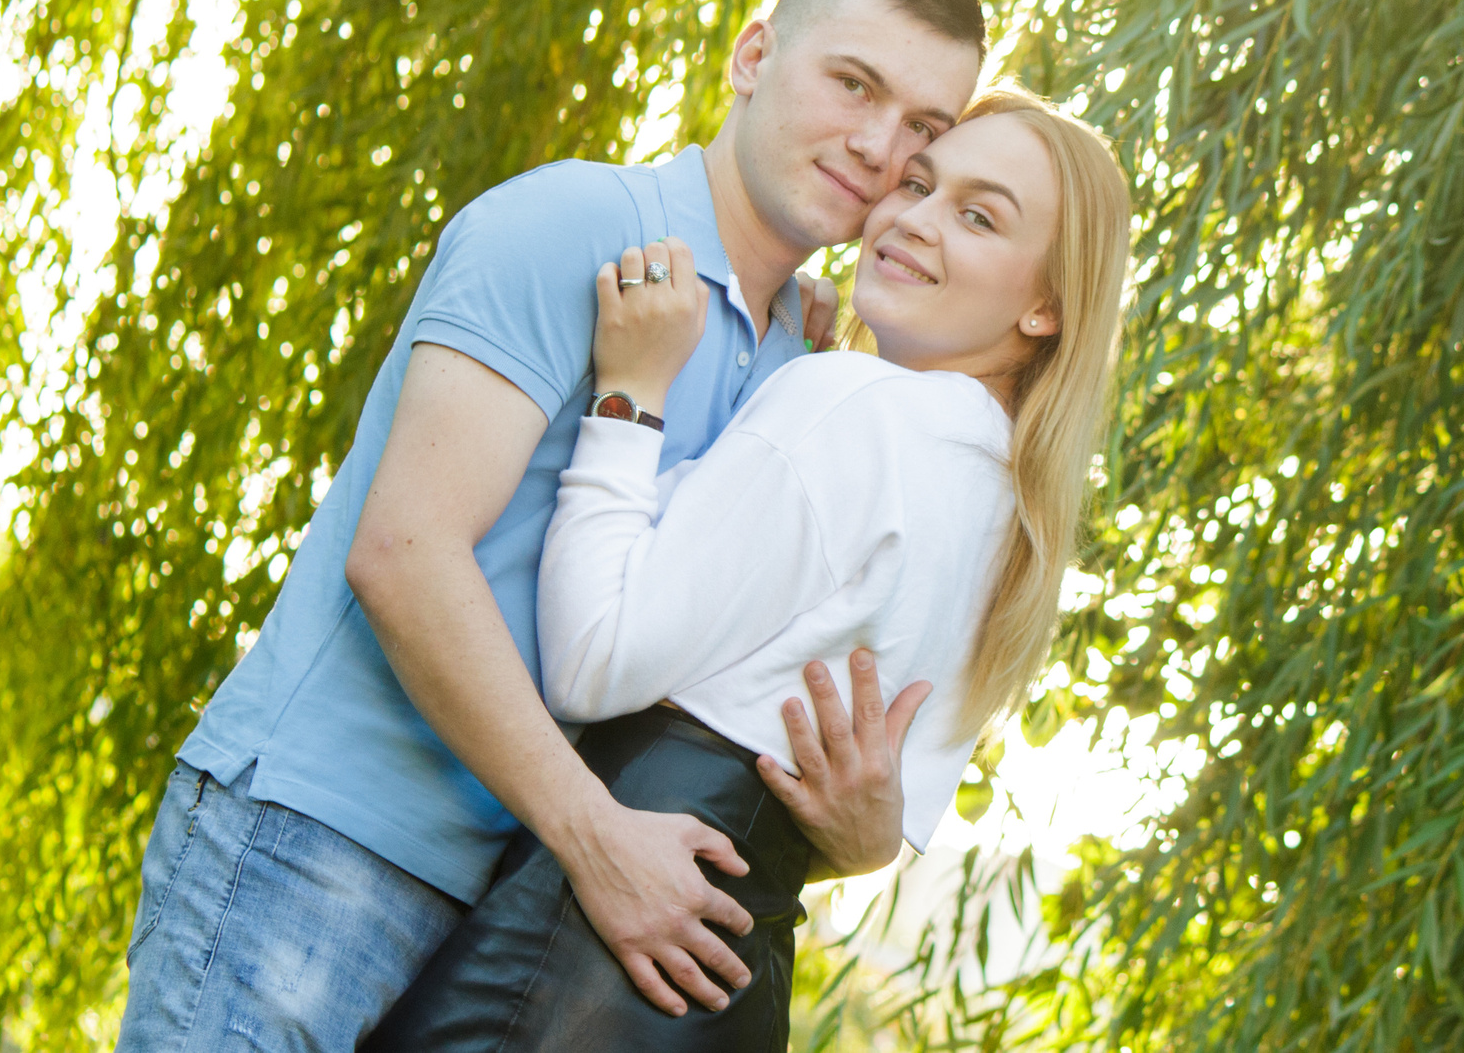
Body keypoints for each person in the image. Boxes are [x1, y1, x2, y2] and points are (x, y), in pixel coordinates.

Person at [116, 0, 989, 1052]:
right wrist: (595, 836)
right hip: (317, 847)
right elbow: (403, 556)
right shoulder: (573, 227)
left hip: (511, 911)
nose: (878, 146)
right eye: (854, 84)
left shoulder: (801, 368)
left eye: (922, 130)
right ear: (752, 56)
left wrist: (863, 831)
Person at [364, 86, 1131, 1049]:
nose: (912, 218)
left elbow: (593, 660)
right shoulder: (1009, 516)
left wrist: (631, 394)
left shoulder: (859, 406)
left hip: (594, 950)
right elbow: (859, 827)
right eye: (918, 183)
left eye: (978, 216)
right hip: (733, 970)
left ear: (1047, 305)